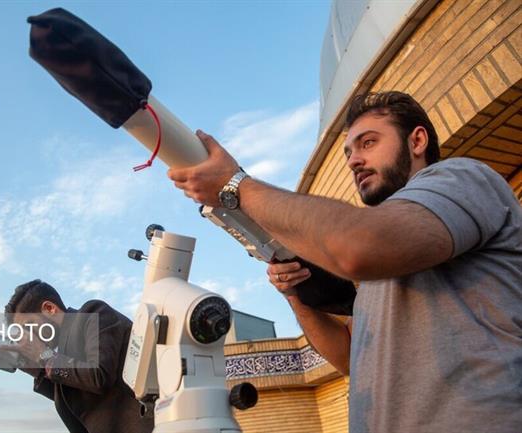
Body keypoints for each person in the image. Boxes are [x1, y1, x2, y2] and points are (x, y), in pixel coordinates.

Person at [168, 91, 522, 433]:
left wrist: (236, 185)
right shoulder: (382, 262)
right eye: (349, 151)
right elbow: (350, 357)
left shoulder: (461, 178)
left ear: (417, 141)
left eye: (368, 143)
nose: (353, 160)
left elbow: (357, 245)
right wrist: (295, 296)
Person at [4, 279, 153, 433]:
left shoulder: (93, 313)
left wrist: (44, 356)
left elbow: (98, 376)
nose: (30, 336)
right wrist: (38, 370)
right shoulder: (63, 355)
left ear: (49, 308)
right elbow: (78, 397)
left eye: (28, 327)